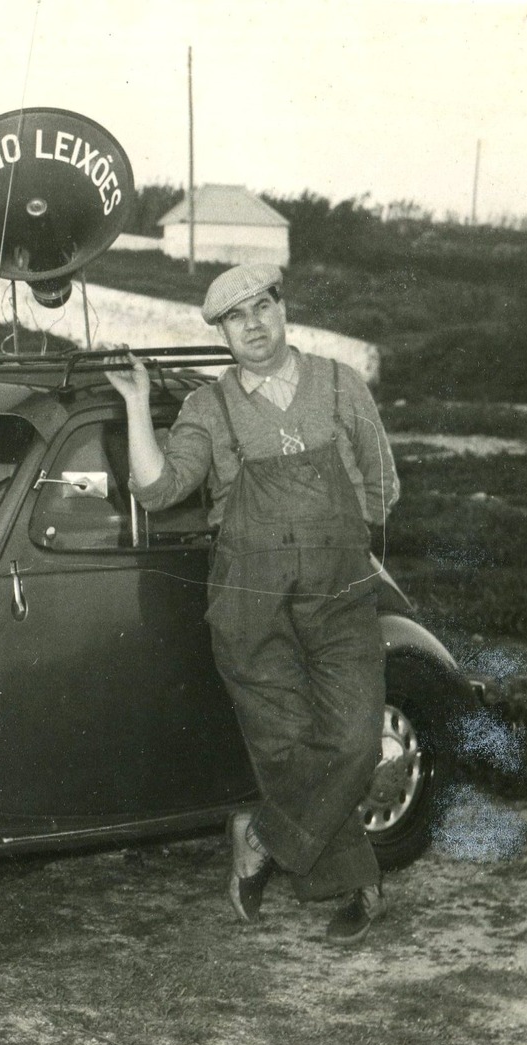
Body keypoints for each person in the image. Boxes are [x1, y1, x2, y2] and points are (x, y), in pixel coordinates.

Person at [105, 262, 399, 944]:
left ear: (281, 308)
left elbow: (382, 487)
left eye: (261, 307)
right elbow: (157, 489)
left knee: (355, 739)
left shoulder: (338, 384)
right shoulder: (208, 408)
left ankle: (261, 836)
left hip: (340, 594)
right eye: (236, 318)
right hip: (249, 603)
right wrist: (132, 403)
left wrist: (348, 545)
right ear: (221, 332)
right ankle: (358, 886)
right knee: (289, 748)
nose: (253, 325)